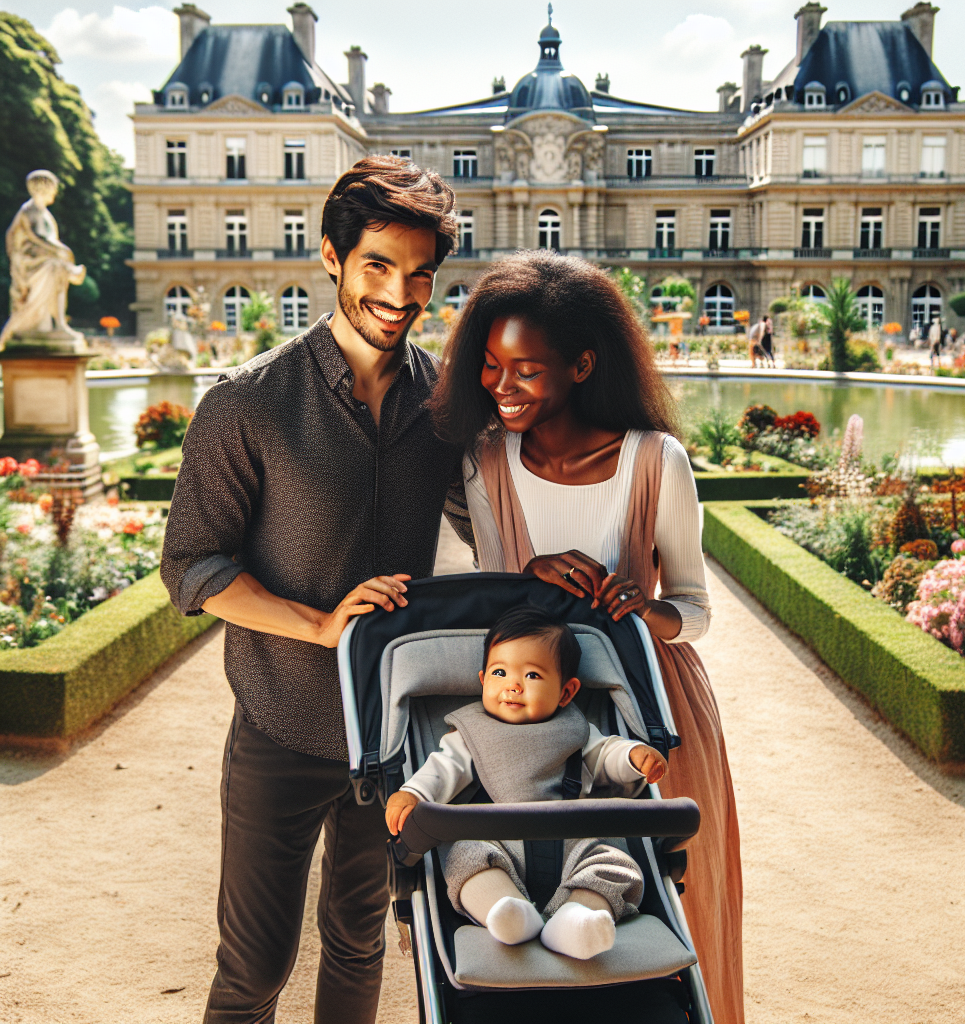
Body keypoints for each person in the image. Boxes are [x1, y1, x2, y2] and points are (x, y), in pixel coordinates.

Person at [160, 156, 474, 1024]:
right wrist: (318, 623)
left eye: (419, 274)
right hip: (279, 727)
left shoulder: (445, 407)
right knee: (254, 971)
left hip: (394, 735)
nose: (400, 293)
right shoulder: (246, 404)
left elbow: (494, 519)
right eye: (378, 265)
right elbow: (191, 564)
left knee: (360, 942)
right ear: (332, 257)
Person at [429, 250, 744, 1023]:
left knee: (677, 895)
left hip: (649, 707)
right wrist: (527, 574)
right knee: (516, 886)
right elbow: (489, 604)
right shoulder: (486, 459)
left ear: (581, 364)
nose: (502, 388)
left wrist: (644, 606)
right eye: (492, 368)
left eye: (526, 370)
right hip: (521, 712)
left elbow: (696, 611)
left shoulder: (654, 461)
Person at [386, 607, 668, 960]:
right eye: (500, 672)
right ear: (483, 679)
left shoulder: (576, 731)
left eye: (532, 675)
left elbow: (607, 754)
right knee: (464, 859)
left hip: (573, 845)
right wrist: (412, 793)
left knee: (616, 867)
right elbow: (443, 769)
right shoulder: (469, 734)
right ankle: (508, 913)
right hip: (496, 843)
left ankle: (576, 921)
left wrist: (634, 758)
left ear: (566, 693)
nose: (513, 685)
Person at [1, 169, 86, 345]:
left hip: (38, 260)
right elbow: (38, 238)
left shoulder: (43, 212)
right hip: (30, 262)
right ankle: (71, 275)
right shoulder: (30, 210)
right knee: (55, 267)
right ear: (44, 189)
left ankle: (60, 323)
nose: (55, 192)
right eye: (53, 188)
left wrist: (61, 252)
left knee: (57, 267)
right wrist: (65, 252)